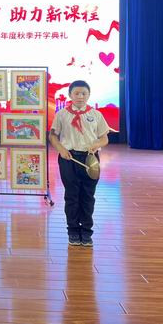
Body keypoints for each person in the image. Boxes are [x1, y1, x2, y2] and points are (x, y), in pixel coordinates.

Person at [49, 80, 109, 247]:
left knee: (88, 195)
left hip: (90, 159)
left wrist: (97, 144)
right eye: (76, 93)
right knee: (72, 195)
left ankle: (87, 231)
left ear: (88, 95)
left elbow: (104, 138)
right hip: (69, 158)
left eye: (84, 93)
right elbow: (53, 136)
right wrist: (61, 149)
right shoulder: (62, 114)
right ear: (70, 95)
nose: (80, 96)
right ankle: (73, 231)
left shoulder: (96, 114)